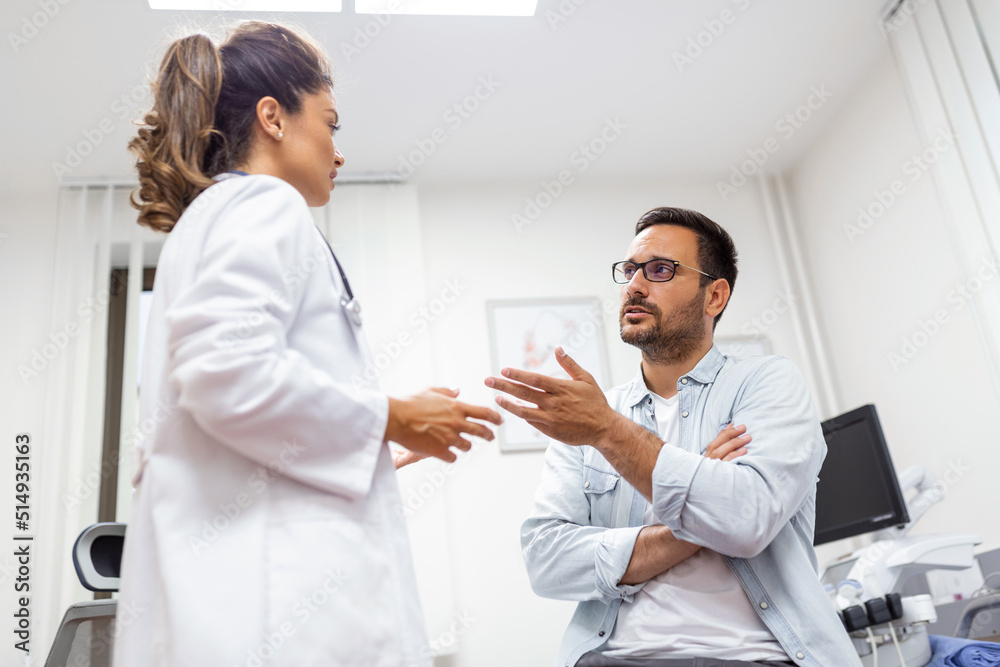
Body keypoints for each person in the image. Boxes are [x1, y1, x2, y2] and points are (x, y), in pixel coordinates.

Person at [113, 21, 501, 667]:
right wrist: (392, 415)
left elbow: (224, 412)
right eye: (331, 122)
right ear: (273, 117)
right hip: (277, 619)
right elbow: (227, 375)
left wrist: (377, 442)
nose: (338, 150)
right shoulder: (263, 203)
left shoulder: (210, 220)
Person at [485, 207, 861, 667]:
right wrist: (700, 507)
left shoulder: (767, 383)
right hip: (611, 659)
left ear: (715, 296)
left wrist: (608, 432)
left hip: (756, 659)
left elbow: (748, 520)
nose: (635, 286)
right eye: (629, 271)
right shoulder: (590, 416)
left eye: (660, 269)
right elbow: (547, 562)